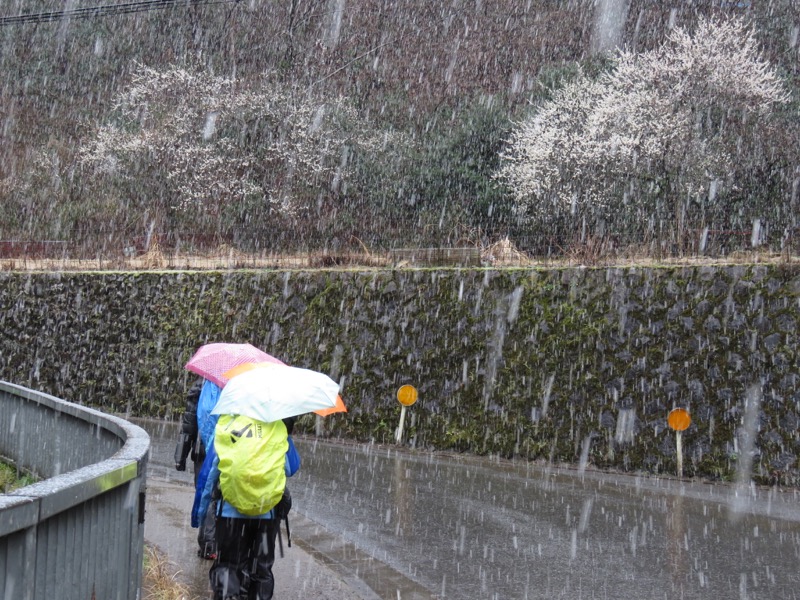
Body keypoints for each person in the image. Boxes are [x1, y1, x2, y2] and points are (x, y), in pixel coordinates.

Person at [193, 416, 300, 600]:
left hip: (230, 515)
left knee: (228, 566)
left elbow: (209, 475)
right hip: (266, 514)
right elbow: (292, 468)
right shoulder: (277, 428)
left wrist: (200, 514)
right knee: (261, 570)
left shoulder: (226, 426)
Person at [174, 377, 219, 559]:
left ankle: (208, 544)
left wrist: (181, 456)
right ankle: (215, 543)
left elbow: (188, 424)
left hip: (202, 450)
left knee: (206, 493)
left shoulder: (201, 387)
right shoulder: (236, 389)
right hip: (226, 448)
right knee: (220, 495)